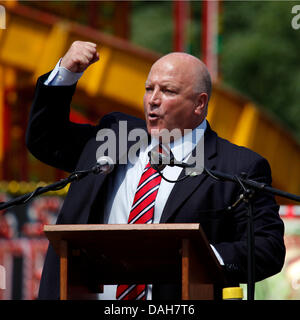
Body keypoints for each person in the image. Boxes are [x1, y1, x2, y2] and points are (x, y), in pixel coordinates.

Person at [26, 41, 285, 300]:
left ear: (199, 103)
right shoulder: (116, 135)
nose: (153, 100)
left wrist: (203, 257)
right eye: (149, 89)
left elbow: (267, 249)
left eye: (168, 91)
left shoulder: (237, 167)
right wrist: (67, 73)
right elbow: (45, 140)